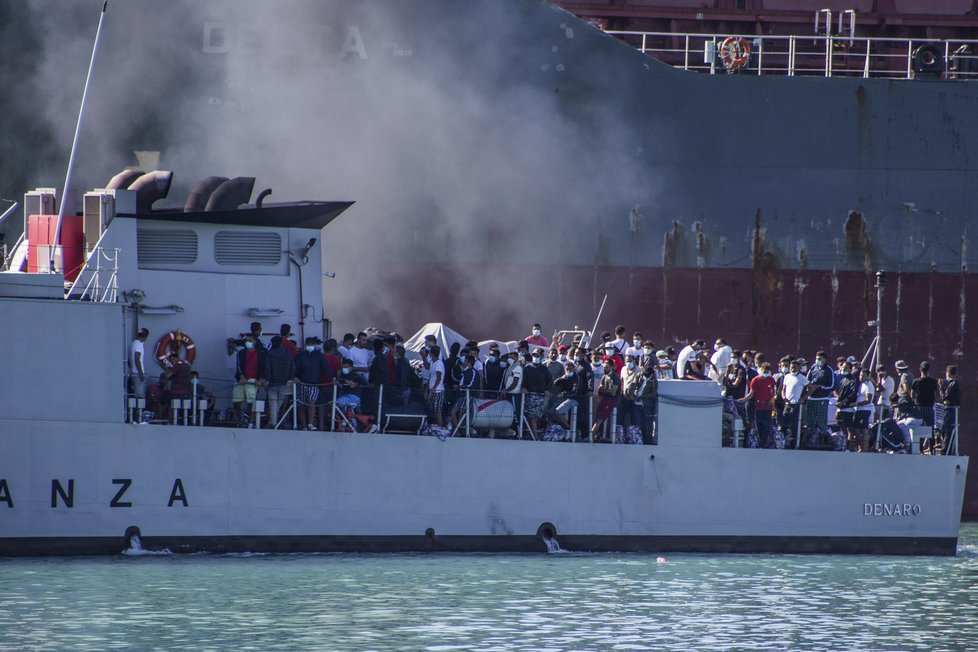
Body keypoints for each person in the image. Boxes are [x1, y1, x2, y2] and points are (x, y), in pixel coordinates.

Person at [294, 337, 331, 430]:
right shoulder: (300, 356)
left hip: (314, 384)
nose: (310, 346)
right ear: (305, 345)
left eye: (312, 344)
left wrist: (333, 378)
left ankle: (310, 424)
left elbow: (326, 368)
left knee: (312, 402)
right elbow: (295, 368)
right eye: (308, 344)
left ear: (315, 345)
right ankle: (304, 425)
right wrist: (294, 377)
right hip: (302, 383)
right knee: (301, 405)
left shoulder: (319, 356)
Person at [263, 335, 296, 428]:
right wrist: (290, 377)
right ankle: (273, 421)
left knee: (272, 403)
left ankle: (273, 422)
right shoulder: (286, 352)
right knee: (279, 402)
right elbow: (292, 365)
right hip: (284, 382)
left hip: (272, 383)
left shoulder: (269, 353)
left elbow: (268, 368)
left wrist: (267, 379)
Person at [740, 361, 776, 448]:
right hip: (759, 406)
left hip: (768, 406)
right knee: (759, 426)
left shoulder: (771, 379)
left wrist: (772, 399)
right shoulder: (755, 380)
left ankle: (764, 443)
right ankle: (760, 444)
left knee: (767, 426)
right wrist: (744, 399)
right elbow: (751, 393)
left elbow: (774, 391)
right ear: (761, 370)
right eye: (764, 371)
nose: (766, 373)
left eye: (767, 372)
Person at [233, 335, 266, 427]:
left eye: (250, 340)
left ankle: (251, 422)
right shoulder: (241, 353)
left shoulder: (261, 354)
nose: (248, 342)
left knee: (251, 402)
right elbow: (238, 366)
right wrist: (242, 377)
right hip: (240, 379)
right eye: (246, 340)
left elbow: (263, 368)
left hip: (253, 380)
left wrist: (260, 379)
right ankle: (241, 420)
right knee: (236, 402)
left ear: (255, 341)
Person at [522, 349, 552, 439]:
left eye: (537, 356)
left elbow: (549, 381)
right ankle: (533, 436)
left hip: (541, 396)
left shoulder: (544, 369)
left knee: (540, 416)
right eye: (534, 355)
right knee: (532, 417)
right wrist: (523, 388)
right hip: (530, 395)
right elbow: (523, 381)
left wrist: (547, 389)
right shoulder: (527, 368)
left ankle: (535, 434)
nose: (535, 357)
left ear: (542, 356)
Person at [780, 359, 809, 448]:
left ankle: (793, 445)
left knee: (794, 425)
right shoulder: (787, 376)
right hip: (787, 404)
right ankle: (783, 443)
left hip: (796, 404)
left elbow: (810, 388)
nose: (793, 369)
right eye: (792, 367)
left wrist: (803, 398)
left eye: (795, 367)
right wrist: (784, 397)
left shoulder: (802, 378)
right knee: (783, 424)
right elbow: (783, 389)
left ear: (798, 368)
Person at [591, 357, 620, 440]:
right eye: (604, 367)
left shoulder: (615, 377)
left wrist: (604, 390)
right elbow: (600, 390)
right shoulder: (604, 376)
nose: (605, 369)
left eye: (606, 367)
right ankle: (597, 435)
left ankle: (591, 435)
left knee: (600, 419)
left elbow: (613, 392)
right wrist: (606, 390)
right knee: (597, 418)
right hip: (603, 400)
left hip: (611, 402)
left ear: (611, 367)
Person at [548, 361, 582, 432]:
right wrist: (561, 378)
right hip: (563, 398)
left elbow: (575, 392)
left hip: (573, 399)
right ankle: (560, 426)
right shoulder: (565, 377)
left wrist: (564, 394)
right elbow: (555, 383)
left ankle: (568, 428)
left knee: (558, 411)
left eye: (570, 369)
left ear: (574, 369)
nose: (569, 371)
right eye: (567, 369)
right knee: (550, 412)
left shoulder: (577, 378)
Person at [834, 361, 858, 449]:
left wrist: (843, 402)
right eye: (843, 368)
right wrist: (838, 402)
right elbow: (838, 393)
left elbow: (852, 394)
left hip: (848, 408)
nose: (843, 369)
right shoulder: (843, 380)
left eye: (846, 368)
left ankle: (849, 447)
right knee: (841, 427)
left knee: (849, 429)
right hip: (840, 408)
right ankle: (843, 445)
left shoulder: (853, 380)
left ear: (850, 369)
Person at [938, 365, 960, 454]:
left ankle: (945, 450)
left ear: (948, 373)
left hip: (950, 410)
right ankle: (945, 448)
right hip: (950, 410)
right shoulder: (953, 384)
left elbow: (944, 397)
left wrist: (941, 387)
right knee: (945, 429)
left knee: (946, 429)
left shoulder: (953, 383)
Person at [853, 367, 876, 452]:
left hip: (865, 410)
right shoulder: (861, 384)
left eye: (863, 376)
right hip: (859, 410)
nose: (861, 377)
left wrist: (856, 404)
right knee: (857, 429)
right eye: (860, 375)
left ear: (868, 376)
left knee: (864, 430)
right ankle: (860, 448)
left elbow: (868, 400)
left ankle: (865, 449)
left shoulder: (869, 385)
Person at [911, 361, 939, 426]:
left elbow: (912, 395)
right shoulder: (933, 381)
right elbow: (935, 395)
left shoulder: (915, 381)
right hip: (929, 407)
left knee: (918, 429)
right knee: (929, 428)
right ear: (928, 370)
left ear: (920, 369)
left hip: (918, 407)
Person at [425, 344, 445, 427]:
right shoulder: (433, 363)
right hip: (431, 391)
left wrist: (434, 388)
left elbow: (439, 377)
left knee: (438, 411)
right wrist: (426, 391)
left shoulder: (439, 363)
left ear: (432, 354)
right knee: (432, 410)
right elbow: (430, 378)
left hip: (438, 391)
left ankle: (440, 428)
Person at [129, 327, 150, 399]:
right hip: (137, 373)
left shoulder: (132, 344)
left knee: (134, 394)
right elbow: (137, 359)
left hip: (132, 371)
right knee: (140, 395)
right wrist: (141, 374)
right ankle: (139, 410)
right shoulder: (139, 345)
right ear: (145, 337)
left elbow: (129, 360)